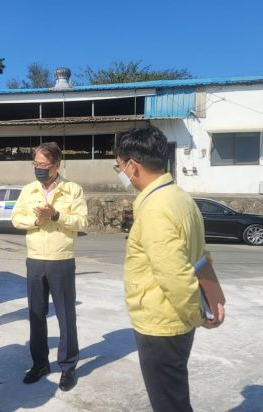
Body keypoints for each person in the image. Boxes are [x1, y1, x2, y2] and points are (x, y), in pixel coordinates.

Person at [115, 126, 225, 412]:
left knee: (169, 403)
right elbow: (201, 256)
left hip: (162, 323)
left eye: (119, 166)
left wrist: (197, 315)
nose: (120, 172)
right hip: (176, 321)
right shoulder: (179, 197)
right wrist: (209, 302)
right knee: (174, 395)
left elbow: (174, 275)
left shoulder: (155, 208)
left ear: (132, 165)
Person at [11, 142, 88, 392]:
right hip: (35, 259)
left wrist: (56, 215)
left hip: (61, 259)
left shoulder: (72, 190)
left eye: (43, 165)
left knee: (66, 315)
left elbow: (81, 221)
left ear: (57, 165)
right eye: (35, 164)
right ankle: (40, 364)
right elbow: (15, 218)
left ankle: (67, 367)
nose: (38, 169)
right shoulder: (29, 190)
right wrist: (37, 220)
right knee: (36, 315)